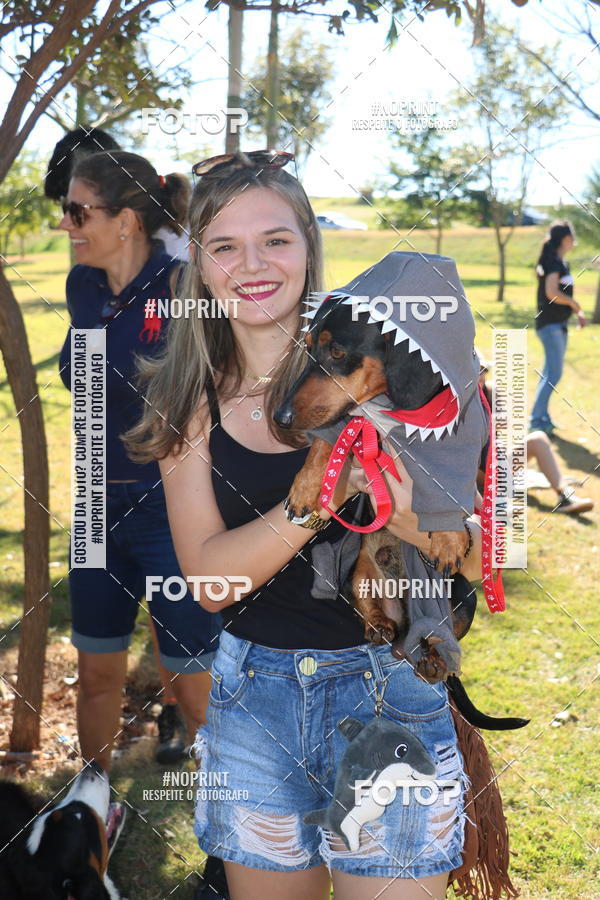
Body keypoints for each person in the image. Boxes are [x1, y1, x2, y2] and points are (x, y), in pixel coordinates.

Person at [125, 151, 506, 900]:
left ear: (309, 246)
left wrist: (407, 515)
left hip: (392, 693)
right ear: (198, 263)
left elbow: (488, 556)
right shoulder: (189, 403)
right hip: (255, 706)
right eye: (225, 245)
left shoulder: (401, 364)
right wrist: (322, 492)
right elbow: (209, 581)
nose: (253, 264)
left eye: (276, 239)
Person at [58, 150, 221, 777]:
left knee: (194, 687)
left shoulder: (185, 287)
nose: (68, 225)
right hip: (97, 504)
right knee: (97, 675)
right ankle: (92, 799)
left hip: (167, 510)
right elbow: (91, 383)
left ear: (125, 220)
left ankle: (234, 843)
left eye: (79, 211)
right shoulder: (83, 287)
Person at [530, 220, 586, 434]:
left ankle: (542, 417)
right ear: (565, 238)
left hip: (558, 325)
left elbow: (562, 293)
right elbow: (552, 293)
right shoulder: (553, 262)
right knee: (553, 374)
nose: (574, 240)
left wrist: (576, 311)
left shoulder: (560, 262)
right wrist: (574, 304)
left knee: (549, 373)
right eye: (571, 236)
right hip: (550, 326)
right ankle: (536, 421)